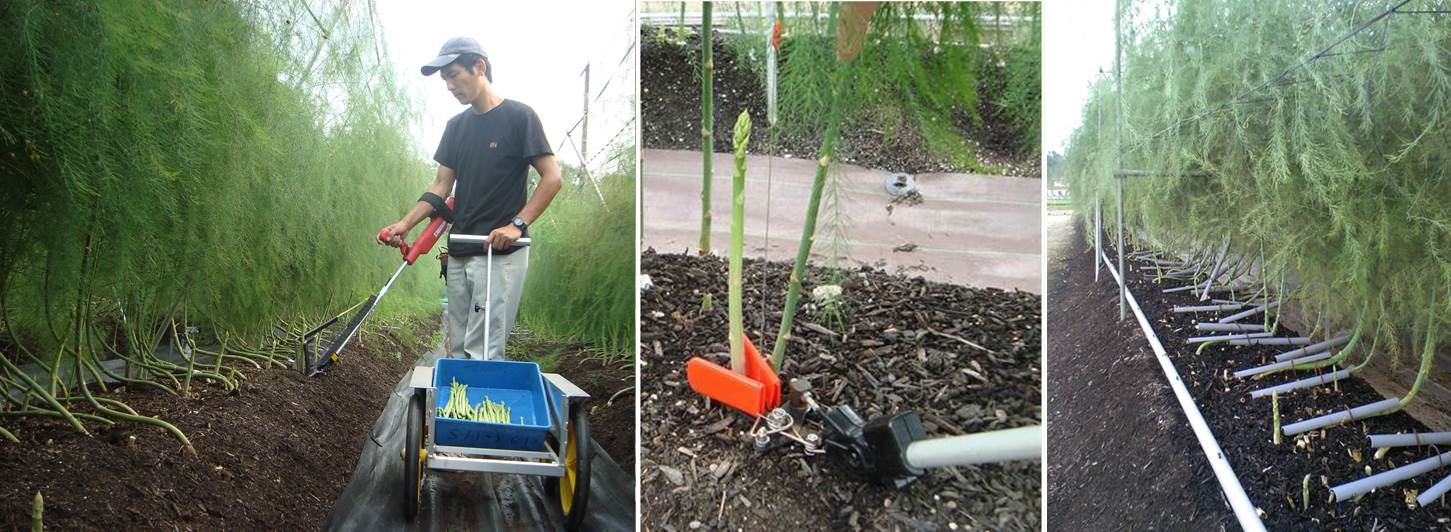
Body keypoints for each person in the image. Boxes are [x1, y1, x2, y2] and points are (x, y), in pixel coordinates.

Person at [377, 37, 562, 360]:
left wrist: (518, 224)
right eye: (444, 79)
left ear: (479, 67)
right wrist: (405, 224)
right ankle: (457, 410)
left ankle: (479, 408)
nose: (449, 85)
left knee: (485, 352)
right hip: (460, 250)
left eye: (453, 75)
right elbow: (440, 187)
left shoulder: (520, 117)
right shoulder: (456, 127)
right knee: (459, 347)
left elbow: (552, 178)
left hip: (498, 253)